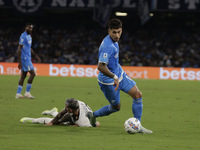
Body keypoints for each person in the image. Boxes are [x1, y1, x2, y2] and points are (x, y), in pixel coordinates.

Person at [87, 18, 152, 134]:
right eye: (114, 32)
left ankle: (138, 126)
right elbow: (101, 67)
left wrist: (117, 75)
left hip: (119, 73)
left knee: (138, 95)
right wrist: (114, 77)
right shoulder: (107, 46)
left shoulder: (114, 41)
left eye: (119, 32)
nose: (117, 35)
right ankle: (93, 115)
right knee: (116, 107)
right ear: (109, 31)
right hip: (108, 80)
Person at [20, 98, 100, 127]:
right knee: (56, 121)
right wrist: (51, 122)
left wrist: (78, 125)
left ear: (71, 109)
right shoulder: (75, 104)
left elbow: (97, 124)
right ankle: (34, 120)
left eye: (66, 107)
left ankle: (52, 112)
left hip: (79, 119)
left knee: (60, 121)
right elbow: (62, 112)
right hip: (76, 116)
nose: (65, 107)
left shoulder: (84, 122)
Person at [15, 23, 41, 99]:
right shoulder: (23, 36)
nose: (30, 29)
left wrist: (36, 56)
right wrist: (19, 61)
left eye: (31, 28)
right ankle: (27, 92)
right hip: (25, 58)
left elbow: (29, 48)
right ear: (25, 28)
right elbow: (19, 49)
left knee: (23, 76)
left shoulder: (29, 36)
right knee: (33, 74)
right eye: (29, 28)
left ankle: (18, 94)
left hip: (28, 58)